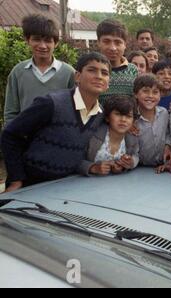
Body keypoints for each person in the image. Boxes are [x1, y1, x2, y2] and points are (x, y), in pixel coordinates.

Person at [1, 52, 111, 192]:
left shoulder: (100, 116)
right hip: (30, 185)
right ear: (77, 76)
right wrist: (16, 179)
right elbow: (10, 135)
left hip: (67, 185)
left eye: (104, 73)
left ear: (108, 83)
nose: (99, 76)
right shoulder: (51, 103)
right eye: (91, 70)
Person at [4, 14, 75, 126]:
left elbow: (75, 110)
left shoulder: (68, 73)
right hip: (25, 139)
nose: (42, 46)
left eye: (48, 41)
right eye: (36, 39)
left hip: (59, 139)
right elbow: (11, 113)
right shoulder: (18, 72)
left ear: (55, 43)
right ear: (27, 40)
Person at [80, 95, 139, 176]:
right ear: (107, 117)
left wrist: (127, 164)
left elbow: (136, 155)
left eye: (128, 116)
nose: (123, 120)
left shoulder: (132, 138)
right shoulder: (93, 135)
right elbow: (73, 159)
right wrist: (92, 167)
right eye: (118, 114)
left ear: (133, 121)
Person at [133, 75, 171, 169]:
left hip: (161, 167)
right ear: (135, 94)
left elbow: (168, 133)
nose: (150, 96)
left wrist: (168, 145)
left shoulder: (164, 113)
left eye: (155, 92)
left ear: (160, 95)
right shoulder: (132, 119)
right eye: (145, 91)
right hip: (139, 168)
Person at [97, 19, 138, 106]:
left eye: (118, 42)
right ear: (98, 43)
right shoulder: (90, 71)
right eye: (106, 41)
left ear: (125, 45)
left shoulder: (133, 71)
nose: (113, 48)